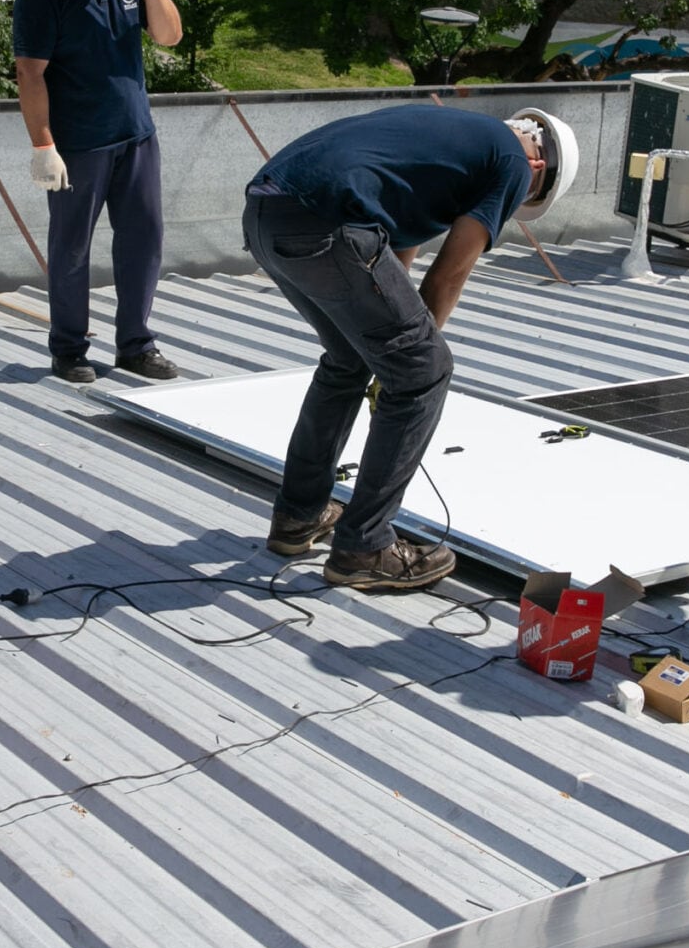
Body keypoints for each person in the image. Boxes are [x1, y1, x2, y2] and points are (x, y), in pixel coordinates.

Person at [244, 105, 578, 591]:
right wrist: (404, 367)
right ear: (538, 169)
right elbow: (448, 275)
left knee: (347, 359)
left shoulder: (452, 143)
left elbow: (389, 263)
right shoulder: (510, 160)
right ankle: (366, 546)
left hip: (267, 214)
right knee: (425, 371)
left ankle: (300, 516)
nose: (513, 203)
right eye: (525, 198)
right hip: (324, 221)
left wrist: (387, 357)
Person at [12, 0, 184, 384]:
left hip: (135, 135)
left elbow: (170, 36)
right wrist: (43, 145)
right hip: (78, 143)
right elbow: (30, 72)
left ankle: (135, 344)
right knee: (71, 248)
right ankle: (69, 349)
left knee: (143, 241)